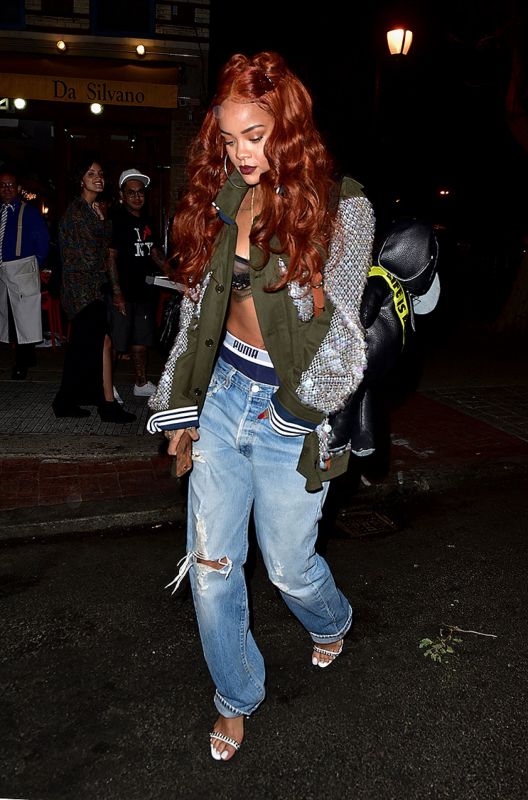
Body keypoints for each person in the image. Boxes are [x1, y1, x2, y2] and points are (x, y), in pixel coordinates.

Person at [147, 51, 375, 761]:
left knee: (287, 567)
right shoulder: (219, 200)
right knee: (212, 569)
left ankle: (330, 619)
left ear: (290, 127)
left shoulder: (341, 208)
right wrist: (179, 409)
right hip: (221, 396)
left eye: (256, 135)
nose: (242, 153)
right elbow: (197, 315)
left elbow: (346, 340)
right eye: (229, 139)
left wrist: (294, 412)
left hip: (292, 413)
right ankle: (235, 695)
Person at [52, 155, 136, 423]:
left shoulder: (90, 210)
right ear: (81, 180)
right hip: (82, 292)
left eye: (100, 174)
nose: (98, 178)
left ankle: (66, 401)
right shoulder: (78, 213)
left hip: (89, 290)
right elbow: (92, 258)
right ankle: (106, 405)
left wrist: (102, 222)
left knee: (85, 348)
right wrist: (102, 225)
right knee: (99, 344)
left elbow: (101, 247)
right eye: (91, 174)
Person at [107, 168, 166, 397]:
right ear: (122, 195)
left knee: (142, 339)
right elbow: (110, 257)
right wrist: (117, 293)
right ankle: (107, 387)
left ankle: (141, 383)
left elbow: (155, 252)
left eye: (140, 192)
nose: (137, 196)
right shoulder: (115, 220)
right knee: (117, 342)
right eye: (131, 192)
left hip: (145, 290)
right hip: (123, 291)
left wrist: (174, 274)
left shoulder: (147, 220)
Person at [0, 169, 49, 379]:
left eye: (10, 185)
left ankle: (22, 361)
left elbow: (43, 240)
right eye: (3, 185)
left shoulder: (29, 212)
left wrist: (34, 264)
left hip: (22, 268)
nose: (6, 189)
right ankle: (26, 357)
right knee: (7, 317)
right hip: (2, 269)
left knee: (24, 316)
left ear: (18, 188)